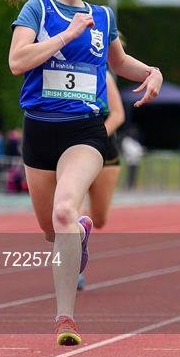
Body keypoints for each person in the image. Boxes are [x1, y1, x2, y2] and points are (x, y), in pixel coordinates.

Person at [6, 0, 162, 346]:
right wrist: (65, 36)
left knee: (62, 214)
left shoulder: (103, 16)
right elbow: (17, 62)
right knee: (51, 229)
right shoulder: (37, 11)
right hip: (39, 130)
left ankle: (64, 319)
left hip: (85, 132)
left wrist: (152, 72)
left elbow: (120, 62)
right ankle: (80, 232)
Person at [77, 70, 125, 290]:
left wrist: (95, 137)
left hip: (104, 148)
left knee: (100, 217)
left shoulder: (102, 73)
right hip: (72, 147)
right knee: (71, 208)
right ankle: (73, 266)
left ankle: (83, 230)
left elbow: (118, 115)